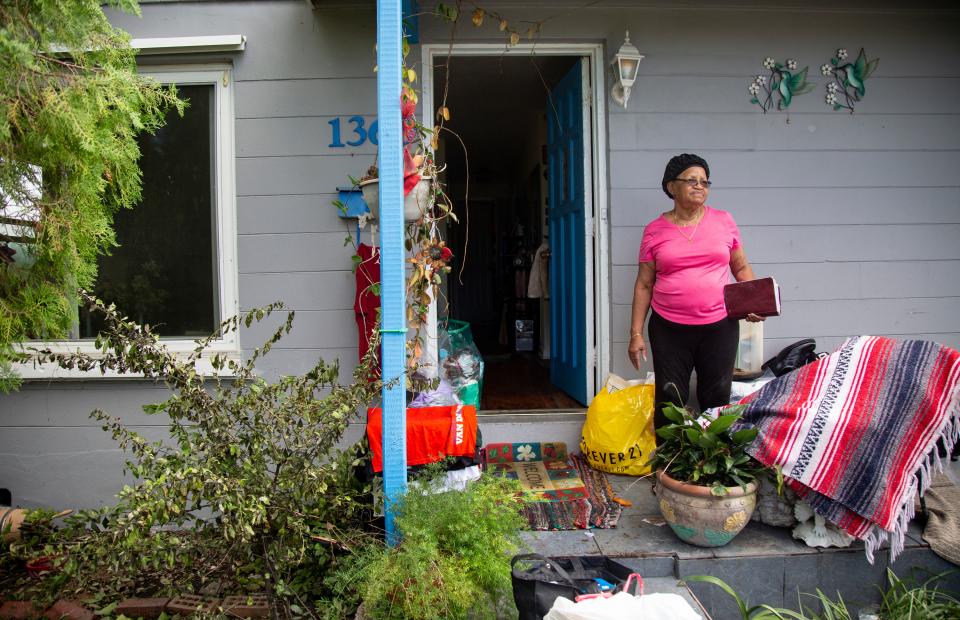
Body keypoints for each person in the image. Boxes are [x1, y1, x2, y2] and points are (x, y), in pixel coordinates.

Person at [628, 153, 764, 429]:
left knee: (717, 395)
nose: (700, 186)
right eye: (692, 180)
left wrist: (754, 301)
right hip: (669, 328)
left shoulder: (724, 221)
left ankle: (710, 461)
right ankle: (670, 461)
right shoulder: (654, 230)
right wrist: (636, 334)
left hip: (720, 325)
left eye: (704, 181)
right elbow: (644, 283)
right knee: (669, 396)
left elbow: (741, 267)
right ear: (671, 187)